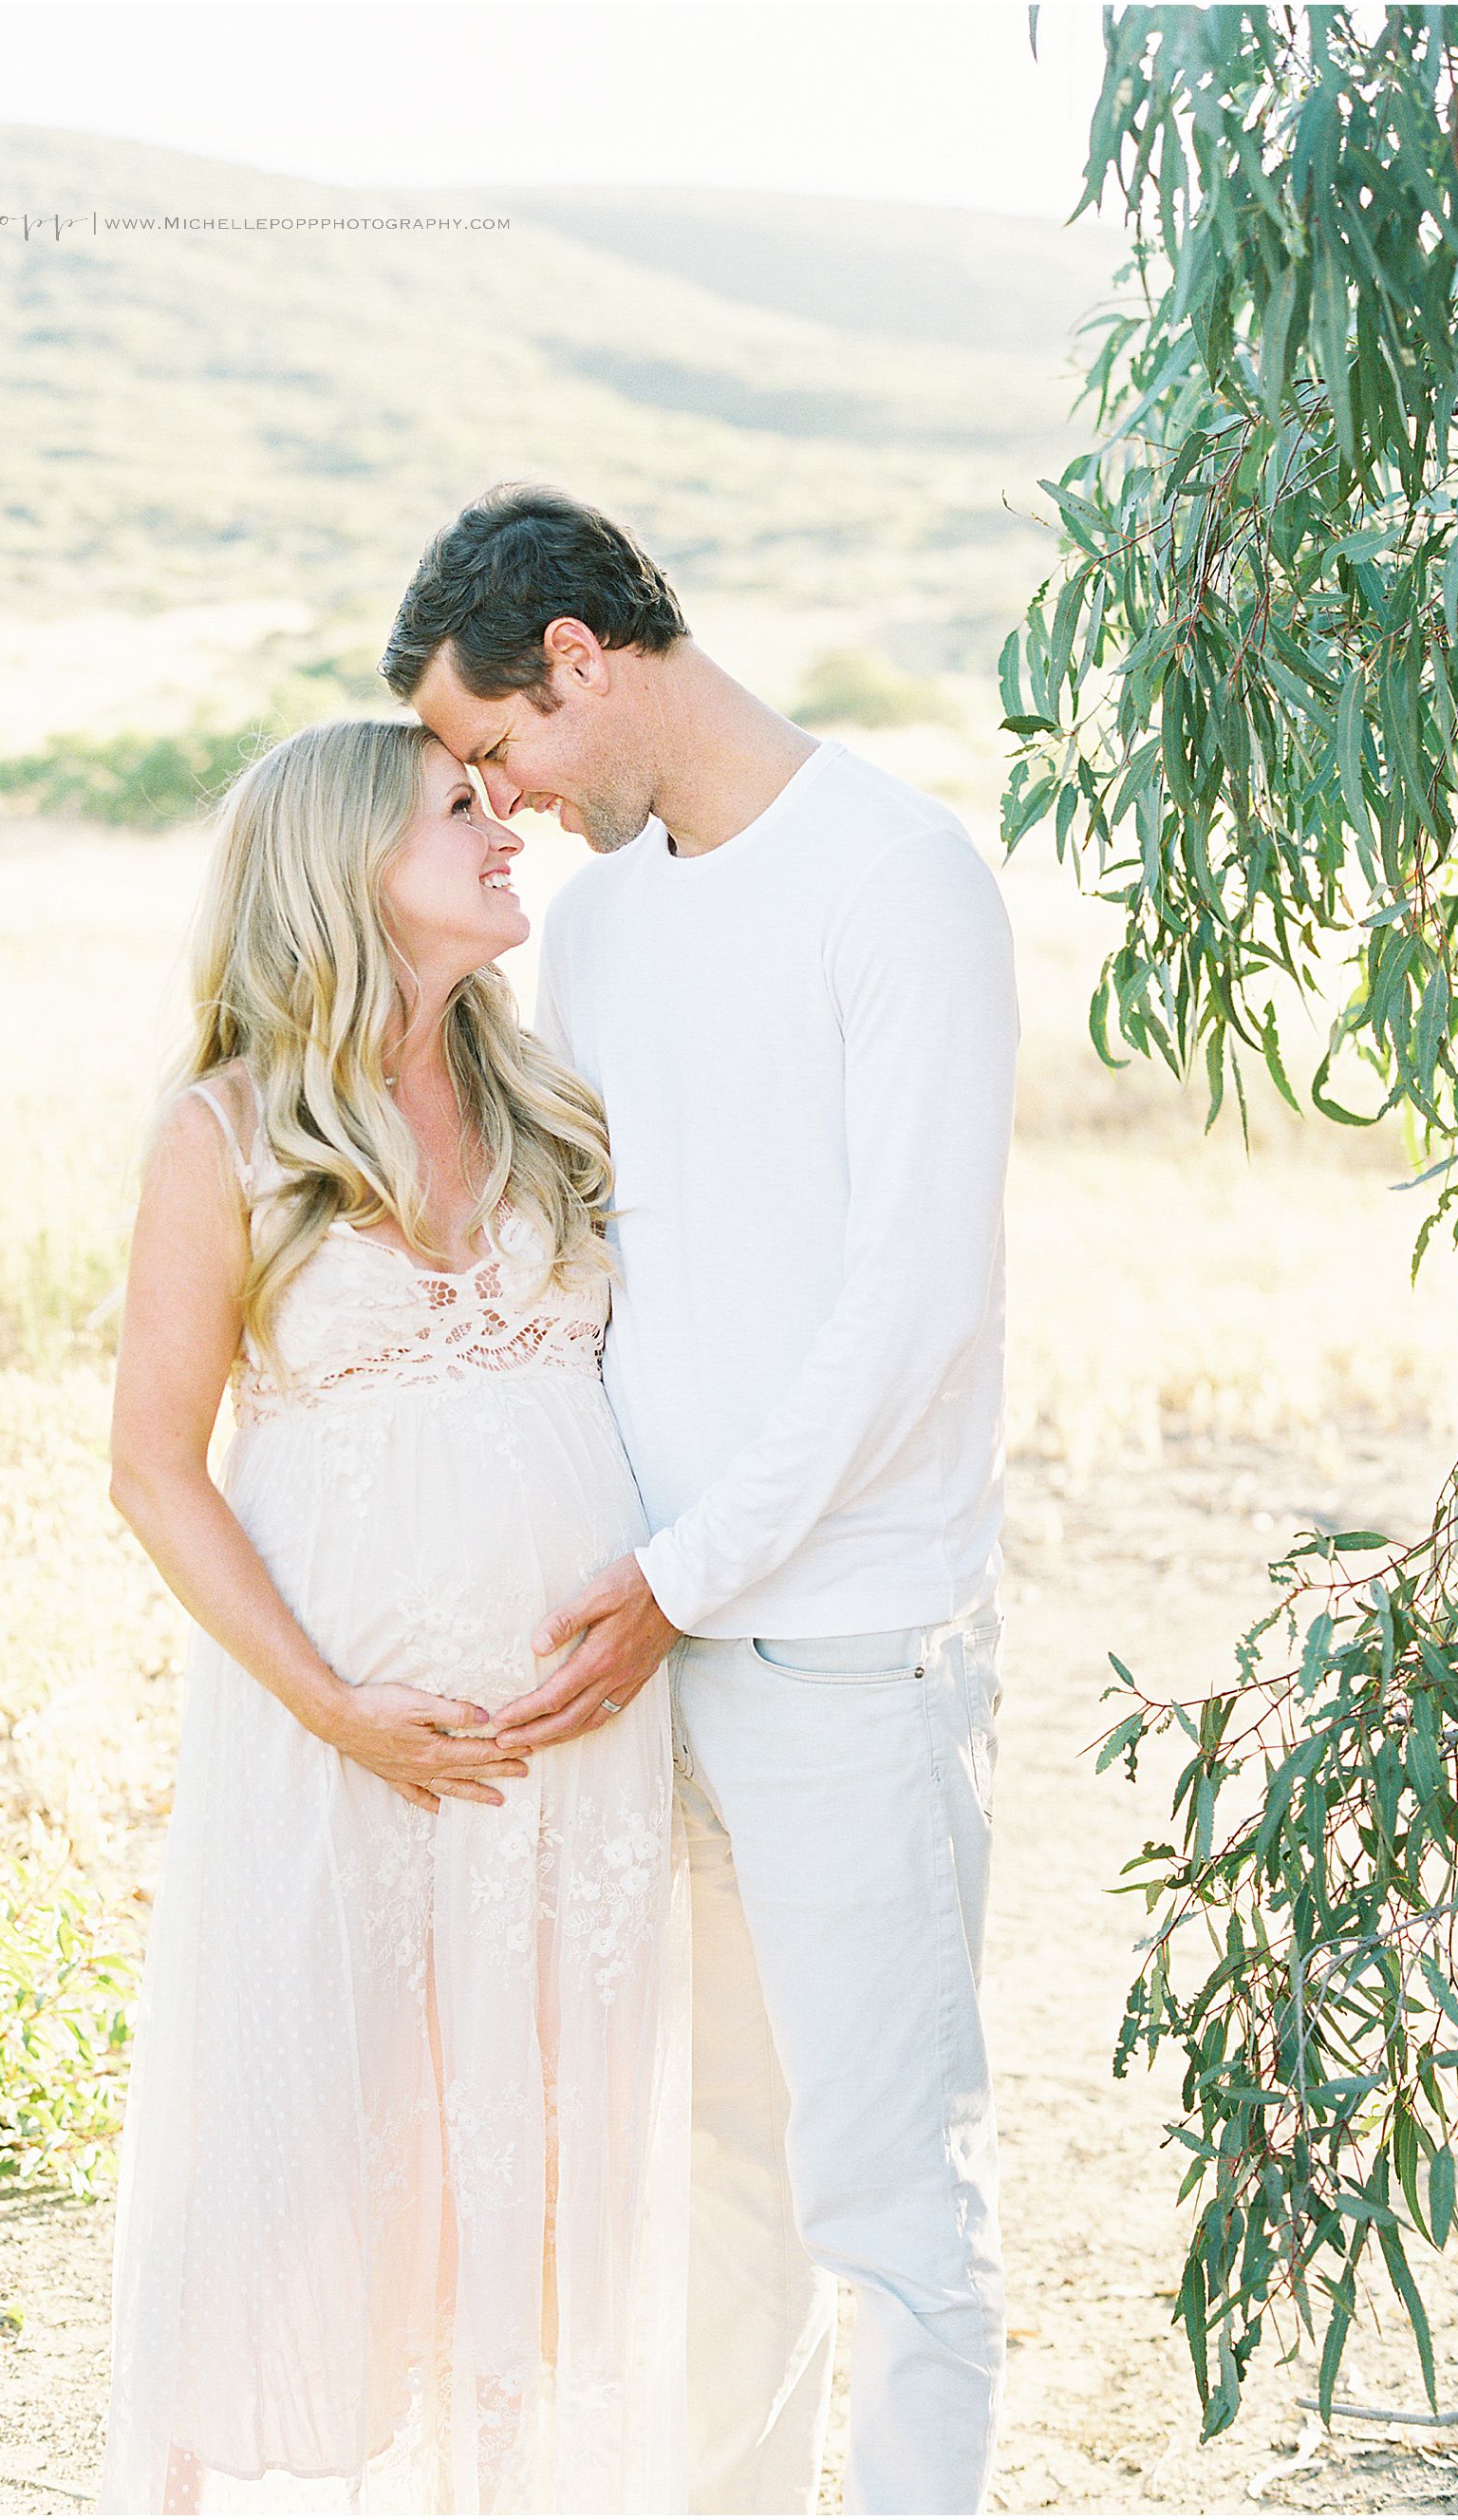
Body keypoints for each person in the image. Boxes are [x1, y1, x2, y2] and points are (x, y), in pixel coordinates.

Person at [383, 484, 1020, 2518]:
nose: (510, 802)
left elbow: (905, 1306)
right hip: (646, 1646)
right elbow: (588, 1262)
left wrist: (681, 1573)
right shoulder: (609, 922)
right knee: (717, 2174)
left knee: (889, 2197)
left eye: (501, 749)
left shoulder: (894, 878)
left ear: (575, 657)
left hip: (840, 1639)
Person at [96, 718, 689, 2517]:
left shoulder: (552, 1102)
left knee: (529, 2180)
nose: (508, 824)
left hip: (568, 1769)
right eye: (460, 807)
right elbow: (152, 1466)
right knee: (316, 2164)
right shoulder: (228, 1134)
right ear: (350, 865)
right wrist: (334, 1702)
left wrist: (671, 1596)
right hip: (339, 1748)